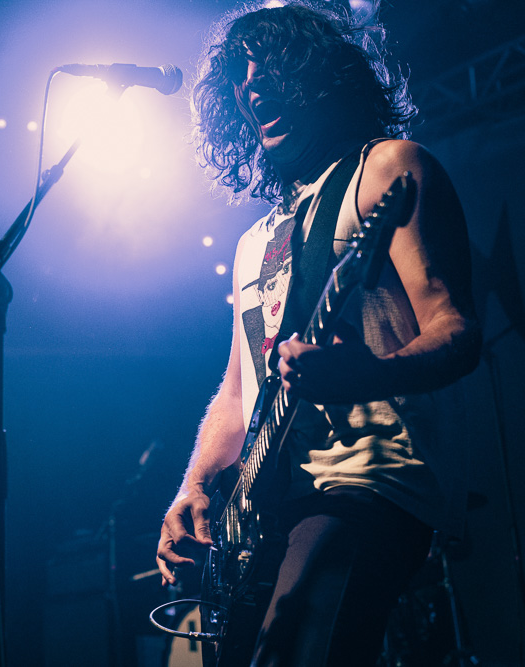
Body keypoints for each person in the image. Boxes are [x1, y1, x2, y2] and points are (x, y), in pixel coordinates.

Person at [156, 2, 481, 666]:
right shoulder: (253, 241)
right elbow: (236, 394)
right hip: (269, 507)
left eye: (270, 66)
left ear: (322, 72)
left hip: (367, 480)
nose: (252, 84)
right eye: (240, 76)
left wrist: (372, 372)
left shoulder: (389, 169)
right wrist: (191, 485)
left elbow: (456, 327)